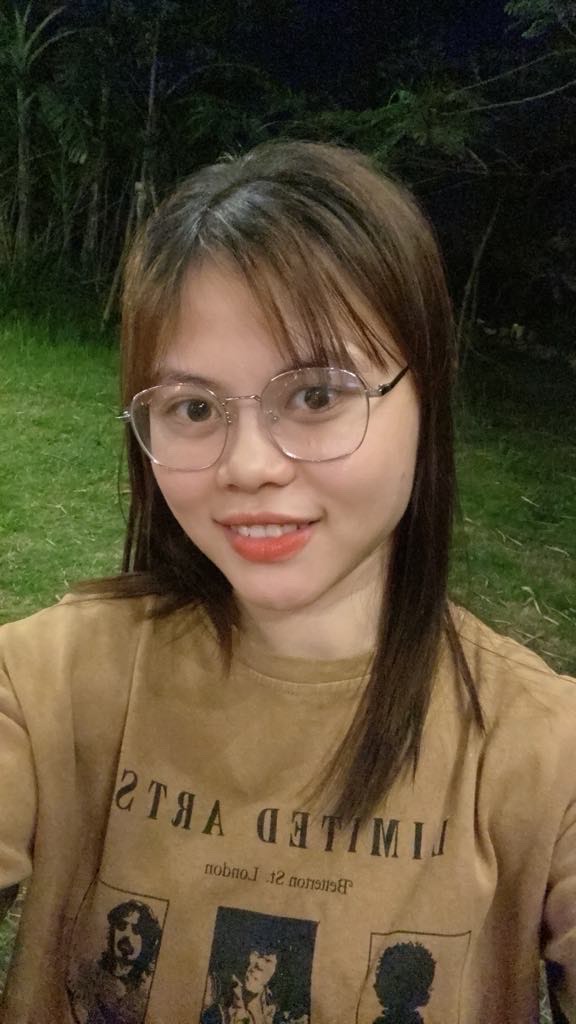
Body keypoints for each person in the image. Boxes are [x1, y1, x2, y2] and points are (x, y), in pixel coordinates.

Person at [0, 139, 575, 1024]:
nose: (249, 466)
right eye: (194, 408)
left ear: (428, 390)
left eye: (315, 396)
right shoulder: (48, 688)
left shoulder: (544, 755)